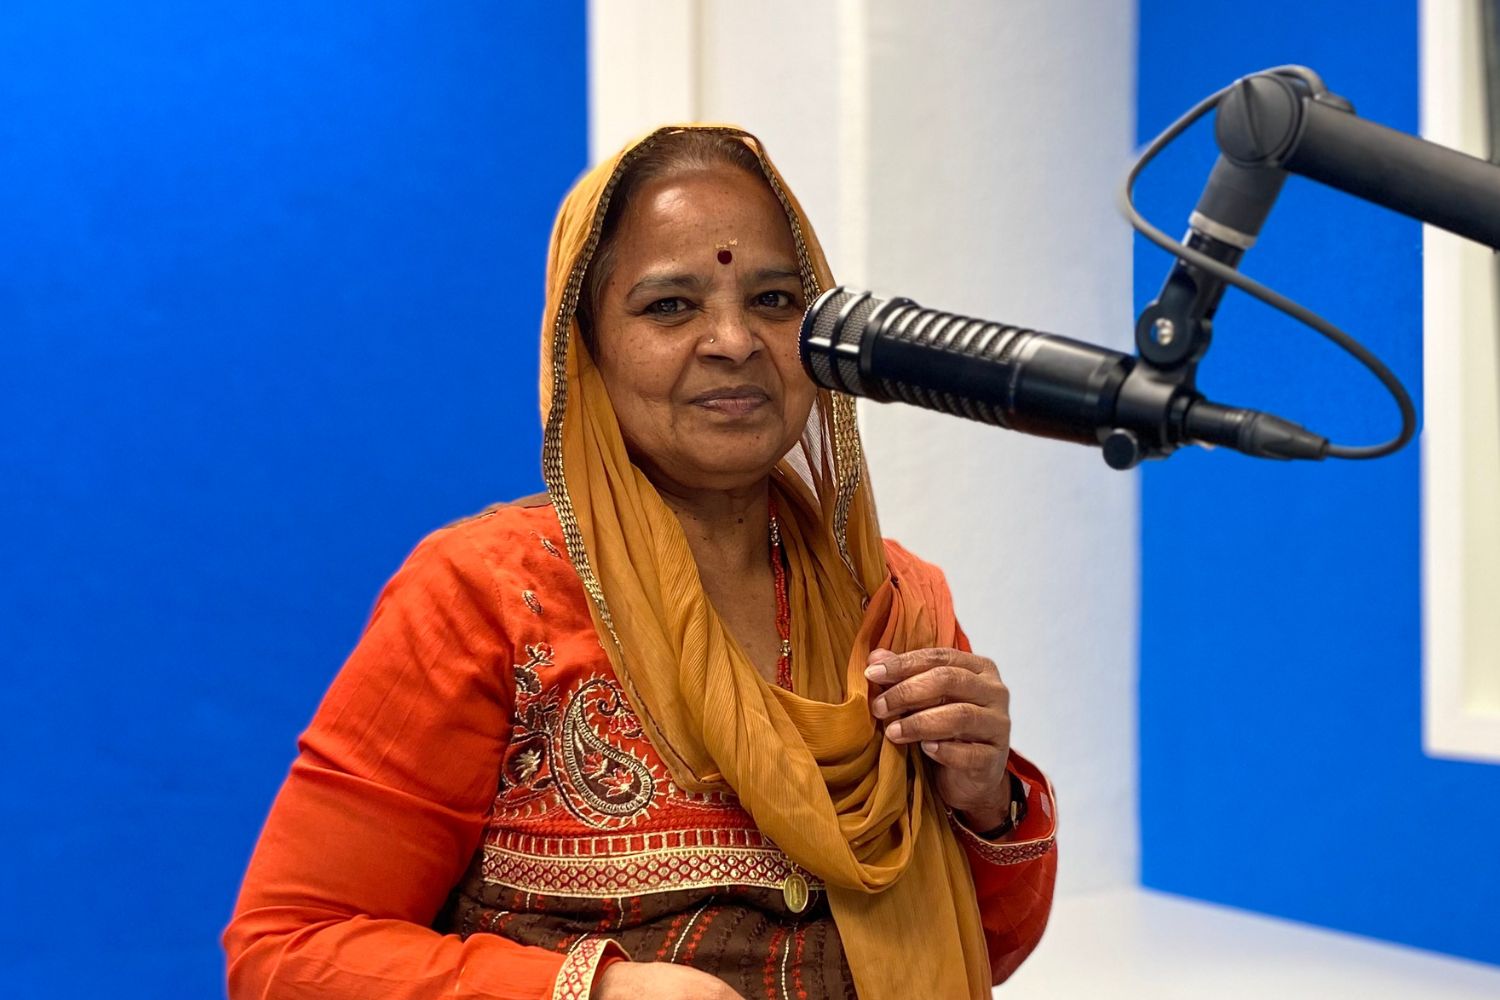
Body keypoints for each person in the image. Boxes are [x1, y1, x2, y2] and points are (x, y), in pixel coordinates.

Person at [224, 125, 1057, 1000]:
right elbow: (286, 951)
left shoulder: (888, 599)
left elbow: (981, 950)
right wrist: (595, 991)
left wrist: (986, 799)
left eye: (775, 300)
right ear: (584, 348)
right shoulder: (483, 593)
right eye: (670, 306)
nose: (735, 340)